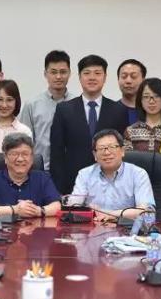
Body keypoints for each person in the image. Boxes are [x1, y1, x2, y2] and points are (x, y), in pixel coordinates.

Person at [50, 55, 129, 194]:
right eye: (87, 73)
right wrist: (59, 190)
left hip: (111, 184)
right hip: (73, 184)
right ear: (79, 77)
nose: (92, 78)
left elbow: (123, 150)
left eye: (97, 73)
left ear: (105, 77)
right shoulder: (64, 109)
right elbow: (57, 152)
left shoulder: (118, 110)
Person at [70, 129, 155, 221]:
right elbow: (73, 207)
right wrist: (85, 209)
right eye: (101, 148)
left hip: (126, 228)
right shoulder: (84, 174)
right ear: (95, 155)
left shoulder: (138, 174)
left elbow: (146, 212)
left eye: (112, 147)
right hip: (94, 227)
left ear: (122, 151)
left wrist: (110, 215)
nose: (107, 153)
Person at [0, 133, 61, 218]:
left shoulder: (43, 178)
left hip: (36, 226)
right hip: (1, 227)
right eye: (14, 154)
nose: (20, 159)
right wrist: (15, 210)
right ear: (5, 157)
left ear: (32, 158)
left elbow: (57, 206)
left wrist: (38, 211)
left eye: (25, 154)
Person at [20, 50, 74, 170]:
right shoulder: (31, 105)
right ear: (45, 74)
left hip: (71, 169)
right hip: (41, 169)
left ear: (69, 73)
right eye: (53, 72)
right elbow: (24, 141)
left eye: (63, 72)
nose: (58, 76)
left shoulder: (78, 103)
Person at [123, 78, 161, 152]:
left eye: (156, 96)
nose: (151, 101)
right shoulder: (130, 131)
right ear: (140, 100)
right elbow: (127, 157)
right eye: (146, 97)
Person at [117, 59, 146, 125]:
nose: (128, 81)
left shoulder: (153, 112)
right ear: (118, 79)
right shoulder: (109, 111)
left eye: (134, 77)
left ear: (143, 80)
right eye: (124, 76)